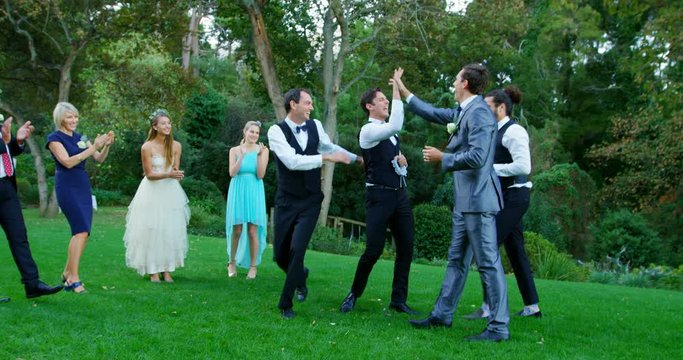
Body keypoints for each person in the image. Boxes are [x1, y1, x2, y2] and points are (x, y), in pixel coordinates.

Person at [398, 64, 510, 342]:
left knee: (488, 264)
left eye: (456, 78)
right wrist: (404, 92)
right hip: (464, 201)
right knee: (457, 260)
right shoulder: (464, 111)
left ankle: (498, 327)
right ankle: (441, 315)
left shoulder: (481, 114)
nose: (453, 82)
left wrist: (442, 158)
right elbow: (433, 113)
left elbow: (478, 157)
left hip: (479, 200)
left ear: (466, 84)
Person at [267, 88, 362, 319]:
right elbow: (291, 161)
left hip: (310, 200)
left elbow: (330, 148)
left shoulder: (315, 126)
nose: (311, 107)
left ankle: (285, 304)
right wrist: (324, 159)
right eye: (307, 103)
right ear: (293, 104)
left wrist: (356, 158)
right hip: (287, 201)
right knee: (280, 256)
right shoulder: (275, 131)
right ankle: (301, 275)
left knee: (297, 250)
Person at [339, 68, 417, 315]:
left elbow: (391, 156)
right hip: (379, 197)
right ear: (369, 107)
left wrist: (402, 164)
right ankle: (353, 294)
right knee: (373, 250)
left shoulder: (391, 135)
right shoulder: (368, 131)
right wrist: (396, 88)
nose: (386, 103)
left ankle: (398, 300)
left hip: (400, 196)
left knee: (406, 247)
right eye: (381, 100)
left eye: (386, 99)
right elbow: (396, 124)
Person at [462, 86, 541, 319]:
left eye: (487, 107)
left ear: (501, 107)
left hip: (515, 197)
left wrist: (489, 169)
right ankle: (532, 307)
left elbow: (523, 167)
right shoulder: (491, 131)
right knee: (516, 252)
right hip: (500, 197)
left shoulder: (514, 131)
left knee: (487, 247)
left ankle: (489, 308)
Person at [46, 102, 115, 294]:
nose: (74, 120)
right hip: (66, 185)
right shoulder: (54, 139)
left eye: (75, 116)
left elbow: (99, 158)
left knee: (84, 231)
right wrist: (94, 148)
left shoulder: (81, 137)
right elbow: (67, 162)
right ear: (60, 119)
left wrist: (105, 146)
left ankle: (68, 273)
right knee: (80, 231)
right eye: (69, 117)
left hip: (82, 185)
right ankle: (73, 278)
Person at [1, 114, 63, 303]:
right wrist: (6, 138)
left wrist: (17, 141)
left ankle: (32, 284)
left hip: (6, 189)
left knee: (19, 237)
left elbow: (8, 152)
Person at [123, 109, 190, 283]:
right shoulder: (147, 147)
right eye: (163, 123)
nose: (167, 126)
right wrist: (168, 175)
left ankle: (167, 270)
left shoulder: (176, 146)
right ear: (155, 126)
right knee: (152, 229)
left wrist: (176, 174)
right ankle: (152, 270)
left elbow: (174, 169)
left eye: (169, 123)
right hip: (151, 192)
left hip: (170, 192)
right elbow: (149, 174)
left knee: (169, 229)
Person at [225, 121, 269, 280]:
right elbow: (232, 173)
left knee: (252, 231)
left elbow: (260, 175)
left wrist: (258, 157)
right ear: (245, 132)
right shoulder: (234, 150)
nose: (254, 135)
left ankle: (253, 267)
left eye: (257, 133)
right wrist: (241, 157)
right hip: (238, 189)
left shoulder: (263, 151)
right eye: (251, 132)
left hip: (255, 190)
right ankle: (231, 262)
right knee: (237, 230)